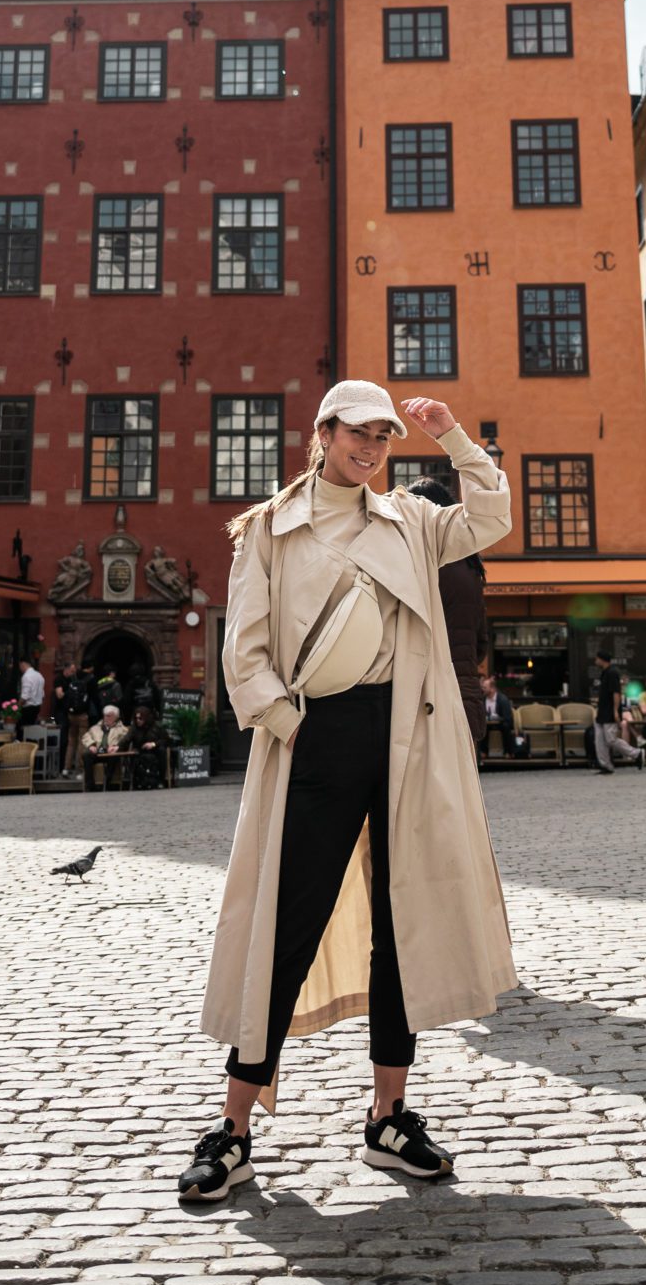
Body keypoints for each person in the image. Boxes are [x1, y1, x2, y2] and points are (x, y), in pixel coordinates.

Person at [181, 381, 514, 1205]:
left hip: (404, 737)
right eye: (358, 433)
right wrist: (289, 723)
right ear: (323, 433)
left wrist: (454, 439)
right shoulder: (269, 530)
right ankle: (232, 1128)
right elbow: (245, 651)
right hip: (315, 738)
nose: (371, 448)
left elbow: (492, 518)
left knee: (399, 926)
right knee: (284, 923)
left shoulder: (410, 519)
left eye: (383, 437)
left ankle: (389, 1118)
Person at [411, 474, 490, 754]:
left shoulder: (425, 564)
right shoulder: (471, 568)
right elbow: (481, 644)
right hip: (466, 694)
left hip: (428, 698)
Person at [593, 652, 643, 771]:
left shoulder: (612, 672)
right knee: (599, 739)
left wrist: (615, 711)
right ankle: (606, 765)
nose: (595, 660)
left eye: (597, 658)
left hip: (610, 710)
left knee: (610, 739)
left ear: (602, 659)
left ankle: (636, 753)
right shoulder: (604, 672)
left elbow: (616, 693)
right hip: (602, 710)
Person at [82, 703, 131, 789]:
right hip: (98, 751)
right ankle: (90, 784)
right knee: (86, 754)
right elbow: (86, 736)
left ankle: (107, 782)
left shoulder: (122, 729)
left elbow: (125, 740)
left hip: (110, 752)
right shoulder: (96, 727)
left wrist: (116, 746)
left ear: (116, 717)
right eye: (105, 716)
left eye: (109, 716)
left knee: (114, 756)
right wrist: (91, 745)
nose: (106, 718)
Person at [480, 674, 519, 761]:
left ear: (492, 688)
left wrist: (497, 718)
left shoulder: (502, 699)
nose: (483, 689)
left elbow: (507, 717)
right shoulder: (483, 699)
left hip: (501, 723)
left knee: (506, 727)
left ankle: (508, 752)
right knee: (482, 727)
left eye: (485, 687)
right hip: (488, 723)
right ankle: (483, 752)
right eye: (483, 687)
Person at [17, 654, 46, 738]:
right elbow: (43, 695)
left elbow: (25, 697)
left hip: (27, 709)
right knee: (32, 733)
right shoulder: (39, 676)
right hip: (37, 708)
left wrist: (16, 708)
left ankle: (23, 749)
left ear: (22, 664)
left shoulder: (26, 677)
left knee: (22, 732)